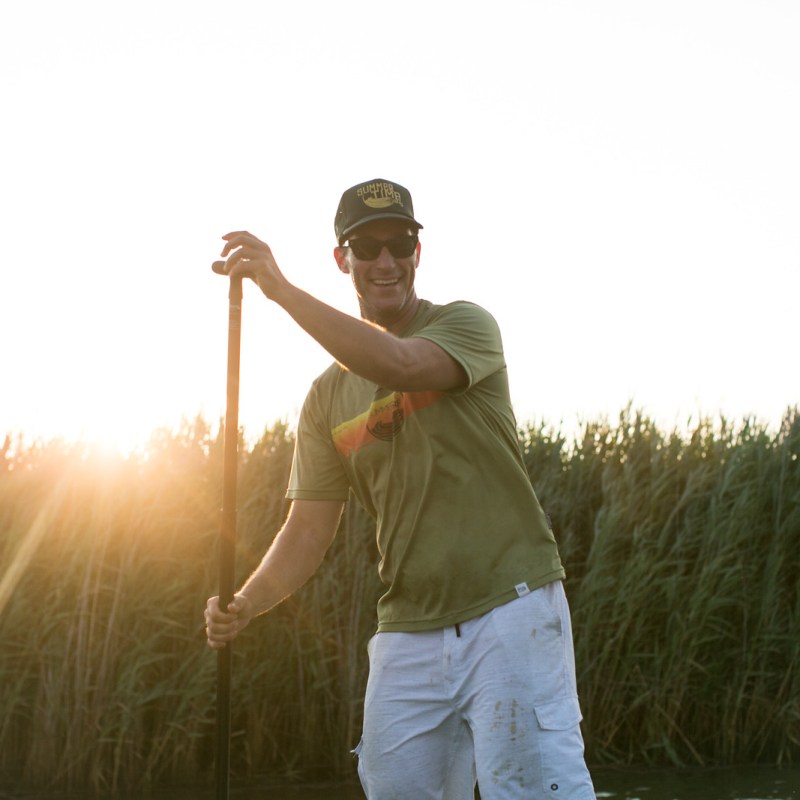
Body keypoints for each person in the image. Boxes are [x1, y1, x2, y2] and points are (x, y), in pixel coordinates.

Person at [205, 178, 596, 800]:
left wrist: (280, 292)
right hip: (408, 629)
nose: (385, 261)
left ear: (419, 252)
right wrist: (246, 603)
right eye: (367, 246)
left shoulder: (465, 326)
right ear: (344, 260)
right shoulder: (325, 399)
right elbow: (308, 528)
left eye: (399, 243)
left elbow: (402, 364)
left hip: (510, 607)